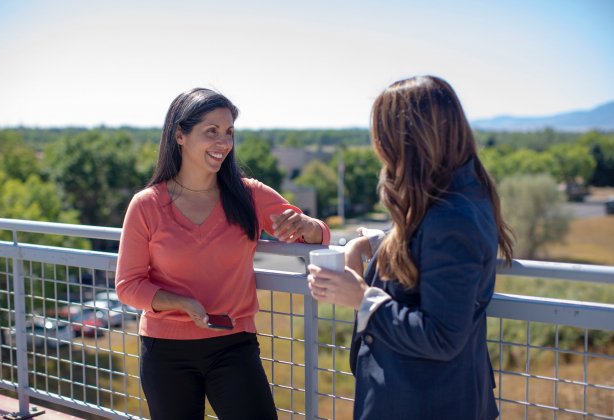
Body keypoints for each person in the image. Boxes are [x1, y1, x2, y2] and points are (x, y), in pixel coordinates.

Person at [115, 87, 330, 420]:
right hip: (165, 351)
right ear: (180, 136)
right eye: (211, 132)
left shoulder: (249, 195)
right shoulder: (146, 205)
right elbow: (128, 285)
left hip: (234, 345)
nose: (223, 142)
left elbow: (317, 236)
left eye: (229, 132)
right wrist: (182, 304)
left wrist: (306, 225)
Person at [307, 75, 514, 420]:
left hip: (426, 402)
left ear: (409, 140)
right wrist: (376, 242)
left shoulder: (453, 217)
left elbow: (442, 337)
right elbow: (426, 236)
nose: (379, 148)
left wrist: (362, 298)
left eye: (383, 136)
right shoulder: (460, 192)